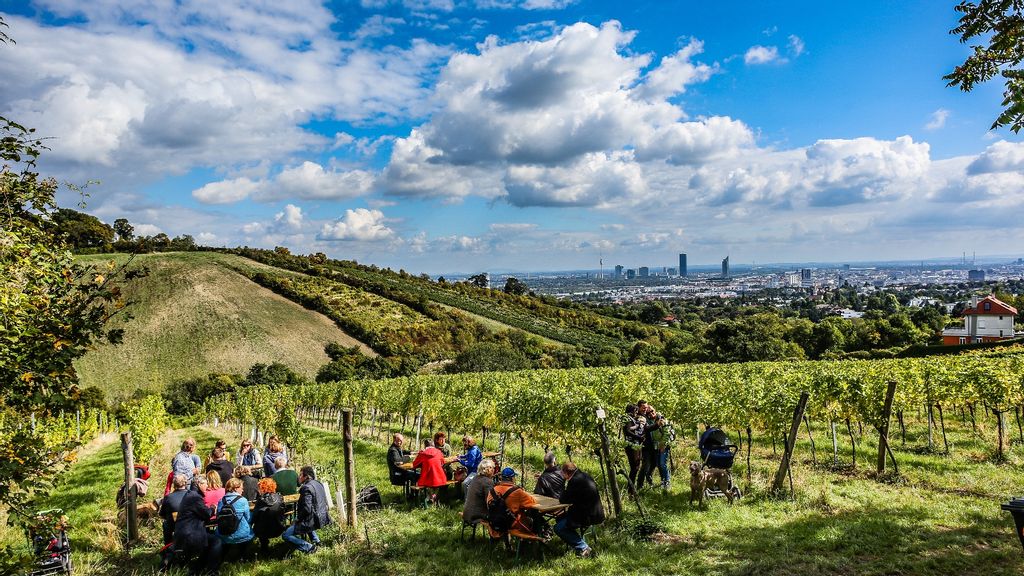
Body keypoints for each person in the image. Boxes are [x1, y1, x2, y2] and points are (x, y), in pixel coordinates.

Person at [171, 473, 222, 574]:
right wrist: (213, 508)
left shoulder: (190, 494)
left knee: (209, 541)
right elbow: (207, 514)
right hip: (189, 534)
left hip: (186, 532)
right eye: (205, 484)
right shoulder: (195, 497)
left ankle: (197, 568)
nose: (207, 487)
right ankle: (212, 571)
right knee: (217, 541)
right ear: (199, 484)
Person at [555, 463, 605, 558]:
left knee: (558, 528)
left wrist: (562, 485)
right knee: (559, 518)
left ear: (567, 473)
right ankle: (574, 542)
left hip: (586, 515)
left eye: (562, 473)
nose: (561, 475)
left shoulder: (574, 481)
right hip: (595, 512)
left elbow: (564, 500)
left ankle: (583, 547)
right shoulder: (585, 475)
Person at [283, 466, 331, 554]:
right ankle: (317, 541)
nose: (299, 477)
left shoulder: (305, 488)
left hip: (313, 519)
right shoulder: (318, 483)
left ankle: (309, 547)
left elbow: (306, 509)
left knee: (286, 535)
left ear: (306, 476)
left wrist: (297, 520)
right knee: (306, 520)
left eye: (301, 475)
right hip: (323, 516)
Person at [486, 467, 539, 538]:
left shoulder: (493, 490)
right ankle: (531, 544)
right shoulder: (517, 492)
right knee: (532, 520)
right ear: (512, 478)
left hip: (493, 522)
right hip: (511, 524)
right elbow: (532, 502)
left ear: (502, 478)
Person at [217, 478, 254, 563]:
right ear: (235, 488)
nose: (243, 489)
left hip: (223, 533)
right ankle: (243, 556)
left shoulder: (221, 501)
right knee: (249, 530)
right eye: (241, 487)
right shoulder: (243, 500)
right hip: (242, 534)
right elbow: (248, 518)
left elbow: (218, 517)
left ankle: (225, 555)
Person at [251, 477, 286, 556]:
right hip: (279, 528)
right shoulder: (280, 497)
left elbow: (254, 517)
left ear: (262, 488)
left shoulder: (260, 501)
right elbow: (283, 512)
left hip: (263, 532)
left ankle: (264, 548)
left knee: (260, 522)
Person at [412, 438, 448, 504]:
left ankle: (428, 497)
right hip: (440, 478)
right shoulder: (439, 452)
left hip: (427, 479)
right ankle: (433, 496)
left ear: (425, 446)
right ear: (433, 444)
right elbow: (442, 462)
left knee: (419, 482)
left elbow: (414, 465)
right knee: (435, 485)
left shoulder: (422, 454)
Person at [462, 458, 496, 524]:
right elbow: (491, 501)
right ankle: (498, 534)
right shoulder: (488, 482)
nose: (493, 470)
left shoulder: (476, 477)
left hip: (468, 512)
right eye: (492, 468)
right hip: (476, 515)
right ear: (488, 469)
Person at [159, 474, 189, 547]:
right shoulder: (192, 495)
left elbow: (162, 515)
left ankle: (168, 546)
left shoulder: (168, 497)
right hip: (190, 524)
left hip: (174, 526)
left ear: (174, 484)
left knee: (166, 524)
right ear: (185, 483)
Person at [622, 404, 645, 493]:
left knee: (636, 466)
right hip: (631, 444)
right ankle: (630, 489)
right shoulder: (627, 418)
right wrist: (639, 437)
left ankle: (631, 487)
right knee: (634, 467)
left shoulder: (631, 418)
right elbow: (627, 431)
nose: (636, 413)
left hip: (635, 444)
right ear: (631, 411)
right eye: (635, 411)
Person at [649, 415, 674, 490]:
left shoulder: (664, 424)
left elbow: (667, 434)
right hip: (656, 447)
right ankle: (663, 481)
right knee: (659, 464)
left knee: (663, 464)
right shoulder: (653, 425)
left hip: (663, 447)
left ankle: (667, 481)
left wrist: (663, 445)